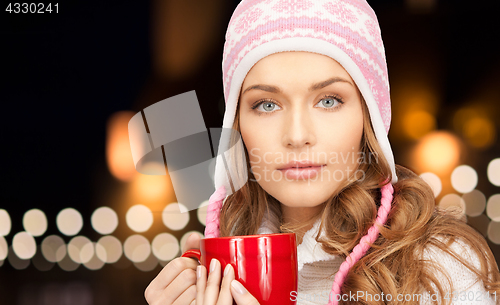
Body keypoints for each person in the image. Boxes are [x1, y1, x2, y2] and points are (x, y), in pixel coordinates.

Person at [145, 0, 500, 304]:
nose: (297, 136)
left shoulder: (440, 269)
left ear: (369, 116)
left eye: (329, 100)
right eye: (267, 104)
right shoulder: (219, 274)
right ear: (236, 125)